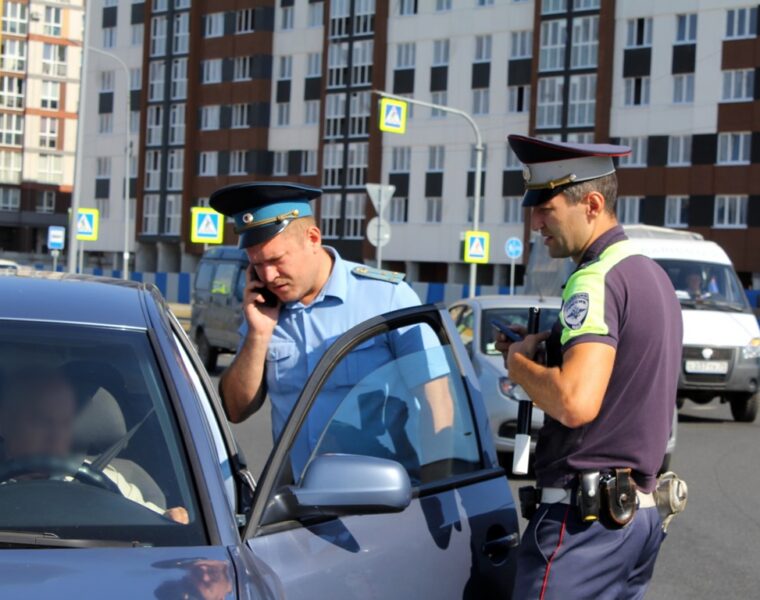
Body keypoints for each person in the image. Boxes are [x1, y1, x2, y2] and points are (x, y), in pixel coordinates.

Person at [496, 135, 682, 599]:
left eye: (547, 207)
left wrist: (517, 364)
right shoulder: (650, 275)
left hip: (582, 529)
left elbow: (576, 402)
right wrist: (547, 354)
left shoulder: (593, 280)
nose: (535, 221)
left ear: (592, 203)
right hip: (636, 519)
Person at [213, 182, 453, 475]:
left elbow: (437, 400)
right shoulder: (265, 310)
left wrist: (440, 488)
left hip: (381, 501)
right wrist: (258, 334)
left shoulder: (388, 297)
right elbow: (236, 409)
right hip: (298, 504)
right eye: (257, 264)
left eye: (276, 260)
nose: (268, 275)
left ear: (312, 238)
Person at [0, 367, 189, 524]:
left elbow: (155, 523)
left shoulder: (105, 482)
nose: (56, 435)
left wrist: (171, 517)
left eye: (65, 423)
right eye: (41, 421)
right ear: (6, 423)